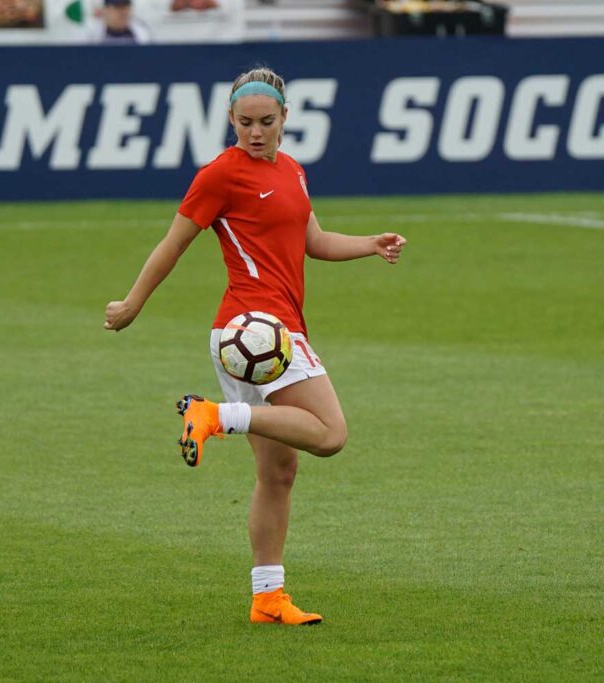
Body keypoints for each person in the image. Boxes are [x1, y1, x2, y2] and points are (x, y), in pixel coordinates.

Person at [104, 67, 406, 626]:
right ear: (230, 120)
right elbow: (173, 243)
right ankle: (214, 414)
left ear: (286, 118)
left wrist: (371, 243)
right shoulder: (220, 174)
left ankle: (267, 598)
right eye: (245, 123)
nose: (256, 132)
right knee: (332, 434)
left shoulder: (292, 170)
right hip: (257, 331)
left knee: (278, 473)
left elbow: (312, 240)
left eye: (267, 122)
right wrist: (133, 302)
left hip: (257, 335)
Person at [88, 0, 152, 43]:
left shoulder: (143, 32)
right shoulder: (92, 34)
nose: (123, 12)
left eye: (126, 7)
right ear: (105, 10)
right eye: (118, 7)